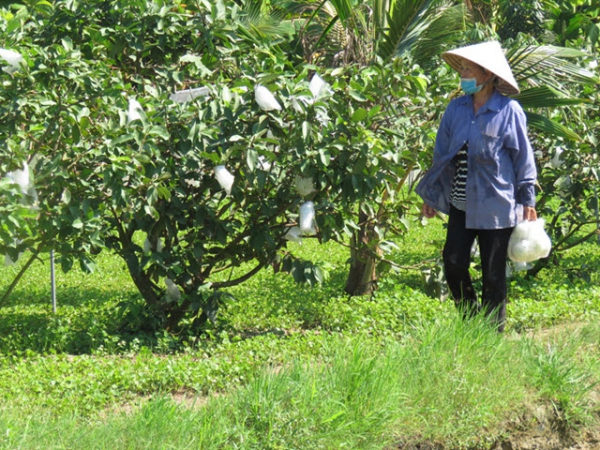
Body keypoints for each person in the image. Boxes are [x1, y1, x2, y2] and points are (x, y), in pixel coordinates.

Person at [415, 41, 538, 332]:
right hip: (461, 203)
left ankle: (492, 333)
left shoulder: (509, 111)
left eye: (468, 69)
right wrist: (431, 195)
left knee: (493, 274)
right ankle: (471, 322)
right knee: (453, 263)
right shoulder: (455, 109)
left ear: (487, 75)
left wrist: (528, 201)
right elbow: (441, 154)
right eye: (462, 69)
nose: (463, 75)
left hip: (496, 206)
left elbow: (523, 158)